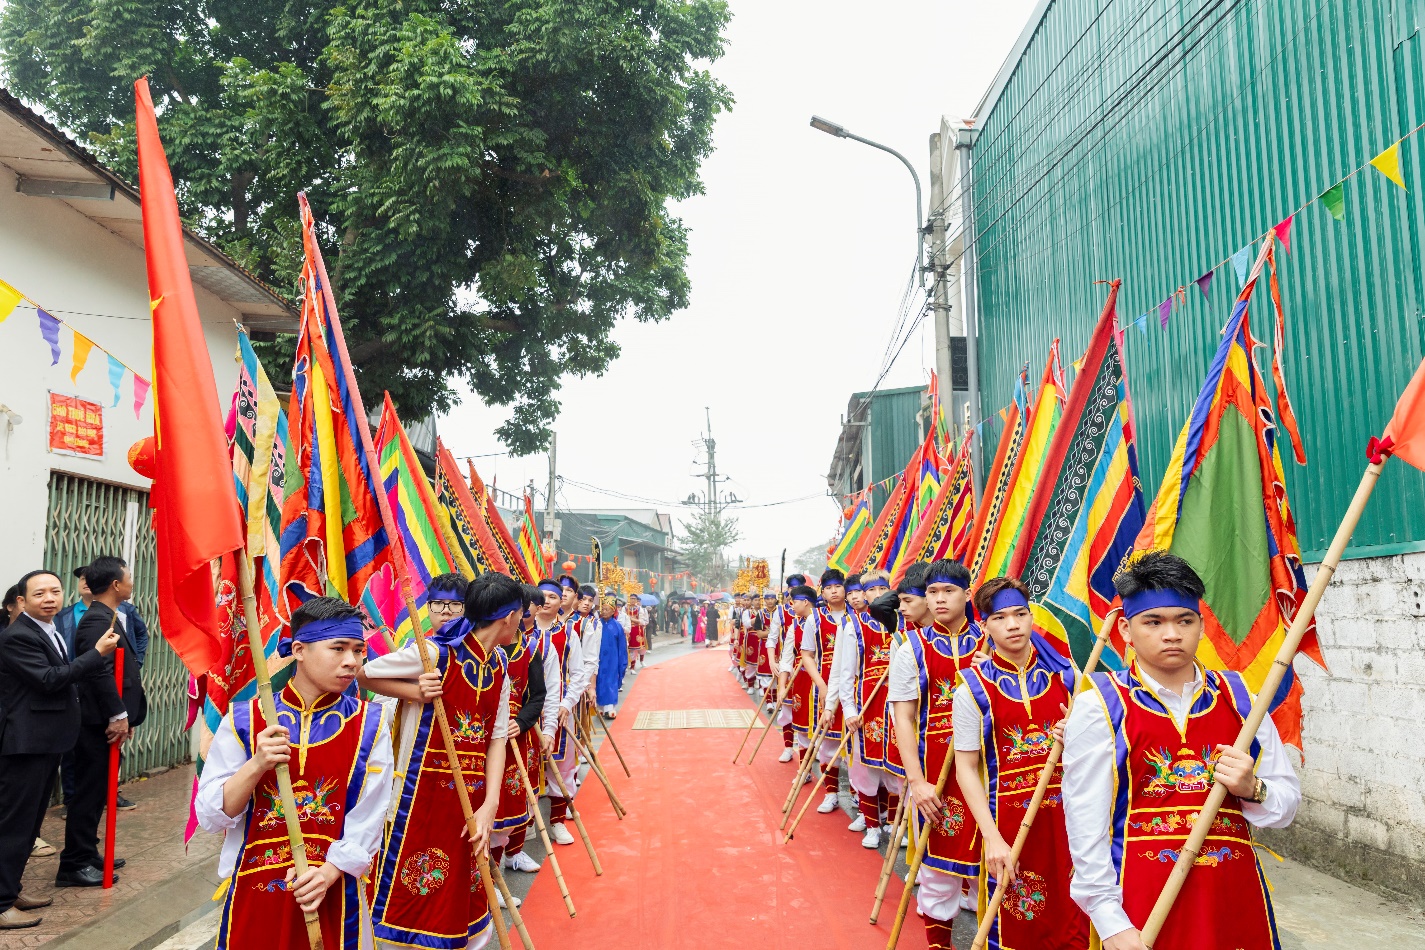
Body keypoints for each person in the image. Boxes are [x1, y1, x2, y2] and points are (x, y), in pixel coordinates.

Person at [1061, 551, 1300, 950]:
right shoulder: (1101, 705)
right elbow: (1085, 823)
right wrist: (1109, 921)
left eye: (1184, 620)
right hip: (1141, 900)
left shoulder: (1243, 699)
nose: (1171, 634)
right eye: (1153, 622)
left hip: (1233, 895)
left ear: (1201, 626)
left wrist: (1252, 788)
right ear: (1125, 629)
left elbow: (1286, 807)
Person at [196, 597, 392, 949]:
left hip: (332, 889)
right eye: (338, 648)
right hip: (255, 890)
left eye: (358, 650)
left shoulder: (370, 724)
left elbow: (371, 814)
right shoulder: (246, 720)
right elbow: (212, 815)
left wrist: (330, 873)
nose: (352, 661)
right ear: (299, 649)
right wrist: (257, 764)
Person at [359, 572, 514, 950]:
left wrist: (490, 805)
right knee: (412, 889)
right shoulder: (436, 654)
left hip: (472, 798)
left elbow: (496, 741)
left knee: (466, 884)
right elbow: (363, 674)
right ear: (509, 617)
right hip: (420, 797)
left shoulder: (499, 667)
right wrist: (415, 692)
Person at [955, 576, 1088, 950]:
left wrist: (1075, 734)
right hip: (1009, 823)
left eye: (1020, 614)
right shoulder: (972, 687)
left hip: (1070, 821)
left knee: (1077, 917)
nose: (1012, 625)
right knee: (1020, 922)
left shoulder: (1066, 677)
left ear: (1032, 618)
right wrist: (992, 838)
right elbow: (966, 767)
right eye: (999, 617)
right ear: (984, 625)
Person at [0, 570, 120, 929]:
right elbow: (49, 680)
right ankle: (1, 902)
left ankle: (11, 888)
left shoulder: (46, 629)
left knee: (30, 822)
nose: (49, 598)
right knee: (14, 825)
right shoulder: (17, 637)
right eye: (39, 594)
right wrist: (96, 654)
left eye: (55, 591)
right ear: (22, 601)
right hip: (25, 744)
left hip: (46, 741)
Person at [887, 560, 986, 950]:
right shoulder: (912, 648)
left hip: (988, 775)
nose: (940, 599)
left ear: (967, 594)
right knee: (937, 869)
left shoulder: (991, 642)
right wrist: (916, 782)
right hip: (936, 777)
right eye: (933, 592)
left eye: (948, 591)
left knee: (992, 868)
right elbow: (904, 717)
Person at [60, 556, 147, 887]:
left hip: (107, 720)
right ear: (115, 584)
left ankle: (87, 851)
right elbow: (99, 672)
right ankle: (74, 862)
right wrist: (118, 714)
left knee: (99, 792)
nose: (131, 582)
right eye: (128, 577)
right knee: (88, 792)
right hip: (97, 723)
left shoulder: (110, 614)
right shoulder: (97, 621)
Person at [483, 574, 557, 886]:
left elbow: (538, 695)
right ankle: (485, 879)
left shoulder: (530, 651)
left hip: (516, 739)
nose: (522, 618)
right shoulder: (480, 650)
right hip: (482, 738)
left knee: (512, 804)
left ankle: (506, 860)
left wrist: (523, 722)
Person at [835, 575, 903, 849]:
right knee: (866, 767)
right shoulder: (854, 626)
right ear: (862, 594)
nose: (876, 594)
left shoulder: (904, 622)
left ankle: (896, 825)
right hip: (868, 705)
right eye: (870, 589)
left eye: (882, 589)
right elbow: (846, 673)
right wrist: (849, 709)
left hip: (898, 705)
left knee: (898, 767)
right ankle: (872, 825)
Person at [534, 578, 588, 847]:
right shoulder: (521, 630)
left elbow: (578, 674)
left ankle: (556, 822)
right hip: (526, 709)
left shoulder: (568, 634)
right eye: (541, 595)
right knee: (525, 766)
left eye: (553, 597)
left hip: (558, 709)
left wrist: (566, 705)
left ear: (562, 603)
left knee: (561, 769)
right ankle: (523, 828)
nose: (547, 600)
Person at [798, 569, 850, 816]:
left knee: (854, 744)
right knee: (828, 743)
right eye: (829, 587)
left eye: (838, 586)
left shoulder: (858, 616)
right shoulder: (815, 619)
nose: (834, 591)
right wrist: (821, 685)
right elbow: (807, 655)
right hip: (825, 685)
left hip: (853, 688)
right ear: (823, 592)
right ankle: (831, 794)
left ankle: (861, 798)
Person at [769, 575, 808, 762]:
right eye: (792, 588)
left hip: (807, 665)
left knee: (808, 707)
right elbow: (772, 637)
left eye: (799, 587)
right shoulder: (781, 611)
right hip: (788, 663)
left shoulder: (815, 612)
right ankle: (787, 747)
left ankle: (809, 748)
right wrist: (771, 661)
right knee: (786, 708)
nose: (794, 591)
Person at [595, 597, 628, 717]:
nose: (603, 611)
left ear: (613, 611)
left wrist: (622, 661)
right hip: (599, 659)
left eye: (606, 609)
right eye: (602, 609)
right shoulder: (597, 624)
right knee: (599, 681)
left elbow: (622, 647)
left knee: (610, 681)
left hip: (613, 660)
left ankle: (610, 707)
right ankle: (600, 706)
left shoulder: (617, 626)